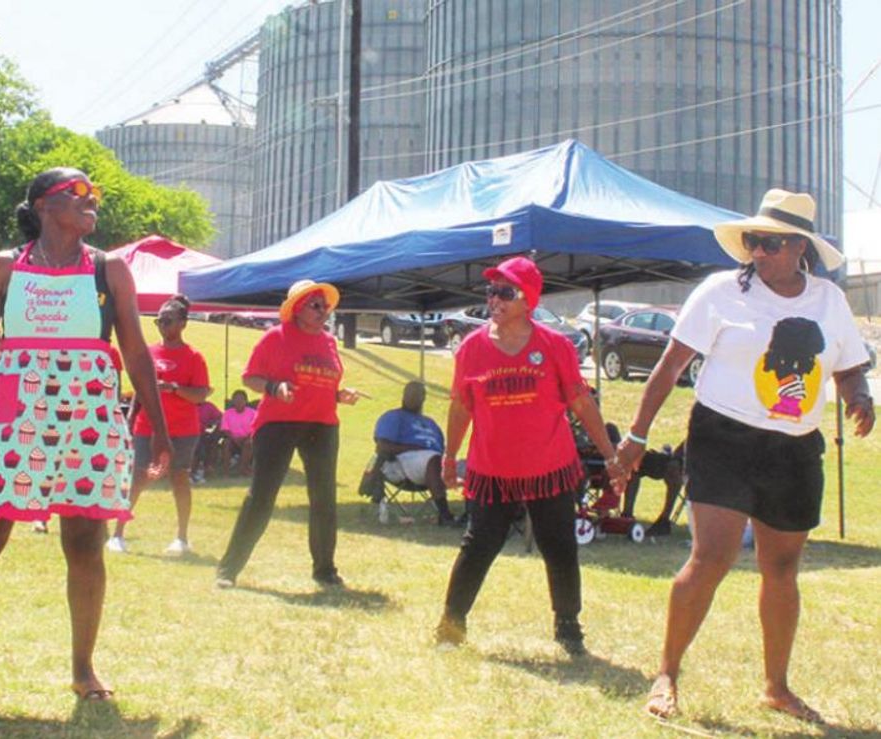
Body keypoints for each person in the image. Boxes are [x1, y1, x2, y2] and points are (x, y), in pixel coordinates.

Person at [0, 167, 170, 707]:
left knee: (84, 542)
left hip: (89, 418)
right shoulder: (6, 266)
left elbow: (138, 353)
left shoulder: (109, 268)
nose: (90, 200)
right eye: (76, 193)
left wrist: (158, 429)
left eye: (93, 193)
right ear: (44, 206)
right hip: (17, 413)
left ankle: (83, 668)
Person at [617, 190, 874, 724]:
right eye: (752, 241)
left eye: (770, 243)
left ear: (800, 246)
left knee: (781, 567)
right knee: (711, 557)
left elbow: (848, 364)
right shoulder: (719, 293)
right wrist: (636, 436)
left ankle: (776, 688)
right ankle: (667, 673)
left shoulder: (828, 300)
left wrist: (858, 397)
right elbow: (668, 367)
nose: (757, 252)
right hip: (723, 437)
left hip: (795, 447)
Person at [434, 256, 627, 655]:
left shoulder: (554, 346)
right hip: (492, 469)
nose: (495, 299)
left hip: (549, 468)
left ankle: (568, 627)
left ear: (529, 301)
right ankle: (451, 626)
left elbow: (582, 404)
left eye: (506, 292)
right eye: (492, 291)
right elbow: (460, 407)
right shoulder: (471, 349)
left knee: (559, 545)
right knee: (478, 544)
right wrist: (450, 457)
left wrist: (611, 457)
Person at [215, 279, 361, 589]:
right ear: (297, 308)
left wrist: (340, 395)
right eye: (316, 305)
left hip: (322, 425)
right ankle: (228, 569)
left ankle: (325, 570)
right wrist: (273, 388)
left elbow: (323, 385)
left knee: (324, 498)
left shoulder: (329, 342)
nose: (324, 310)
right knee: (262, 498)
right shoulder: (275, 338)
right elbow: (250, 378)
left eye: (326, 305)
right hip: (278, 424)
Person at [107, 293, 211, 556]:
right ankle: (117, 535)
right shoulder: (149, 353)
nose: (163, 326)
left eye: (168, 320)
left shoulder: (194, 357)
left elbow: (201, 394)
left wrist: (175, 388)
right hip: (147, 427)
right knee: (138, 477)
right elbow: (140, 393)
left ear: (183, 323)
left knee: (179, 478)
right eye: (159, 321)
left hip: (182, 429)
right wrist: (129, 422)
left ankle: (182, 538)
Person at [371, 380, 456, 526]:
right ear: (403, 396)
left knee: (472, 466)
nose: (413, 398)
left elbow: (442, 449)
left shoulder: (431, 423)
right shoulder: (393, 417)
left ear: (423, 398)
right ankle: (445, 515)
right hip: (402, 462)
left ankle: (476, 516)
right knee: (433, 459)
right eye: (410, 394)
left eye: (417, 394)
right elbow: (382, 446)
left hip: (434, 463)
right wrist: (413, 449)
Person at [218, 388, 255, 477]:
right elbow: (225, 429)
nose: (238, 402)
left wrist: (247, 438)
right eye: (236, 399)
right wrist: (234, 439)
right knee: (226, 443)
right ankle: (226, 471)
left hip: (247, 439)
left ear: (246, 401)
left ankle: (243, 469)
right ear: (232, 401)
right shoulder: (227, 413)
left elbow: (255, 428)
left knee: (248, 443)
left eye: (241, 399)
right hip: (232, 439)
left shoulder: (253, 413)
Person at [191, 399, 223, 483]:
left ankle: (206, 468)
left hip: (204, 434)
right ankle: (195, 471)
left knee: (209, 442)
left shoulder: (209, 406)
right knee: (198, 444)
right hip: (188, 434)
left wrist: (212, 424)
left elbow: (220, 418)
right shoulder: (186, 406)